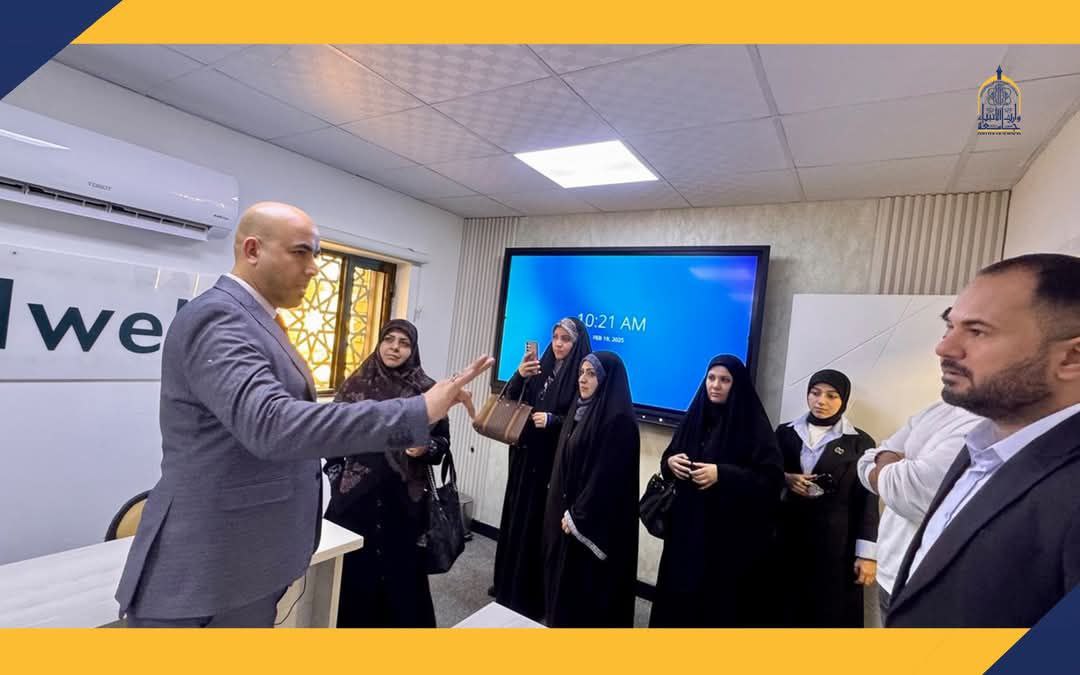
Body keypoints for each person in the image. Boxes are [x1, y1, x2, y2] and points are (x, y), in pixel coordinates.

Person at [115, 201, 492, 628]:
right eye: (301, 252)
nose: (314, 268)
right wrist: (418, 410)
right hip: (210, 563)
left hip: (245, 558)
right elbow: (273, 424)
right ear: (253, 250)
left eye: (315, 254)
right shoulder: (220, 317)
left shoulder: (260, 321)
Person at [887, 253, 1080, 628]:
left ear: (1072, 358)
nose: (945, 348)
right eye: (950, 326)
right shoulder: (981, 445)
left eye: (977, 331)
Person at [323, 319, 448, 627]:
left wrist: (426, 448)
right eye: (389, 340)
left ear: (413, 349)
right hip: (355, 502)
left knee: (401, 578)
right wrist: (339, 480)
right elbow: (331, 439)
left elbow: (442, 445)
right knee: (354, 575)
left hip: (403, 502)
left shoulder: (427, 391)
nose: (394, 348)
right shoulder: (356, 385)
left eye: (404, 343)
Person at [649, 355, 783, 627]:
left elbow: (771, 478)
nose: (715, 385)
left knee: (714, 607)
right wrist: (670, 463)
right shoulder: (695, 416)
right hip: (685, 531)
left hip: (726, 538)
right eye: (711, 378)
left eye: (724, 380)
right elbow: (669, 457)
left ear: (736, 384)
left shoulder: (752, 425)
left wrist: (722, 474)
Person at [493, 317, 591, 620]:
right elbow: (511, 399)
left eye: (566, 339)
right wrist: (520, 375)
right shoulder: (541, 366)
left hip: (552, 465)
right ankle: (508, 585)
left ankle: (530, 596)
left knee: (538, 525)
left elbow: (581, 420)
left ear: (576, 344)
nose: (559, 344)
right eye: (556, 337)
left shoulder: (582, 375)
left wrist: (553, 420)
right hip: (525, 457)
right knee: (516, 518)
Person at [856, 401, 981, 624]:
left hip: (929, 584)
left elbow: (908, 493)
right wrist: (895, 467)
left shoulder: (984, 426)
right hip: (889, 571)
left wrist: (889, 461)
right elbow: (865, 463)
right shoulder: (938, 410)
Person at [543, 352, 639, 627]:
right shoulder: (580, 410)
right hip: (567, 516)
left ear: (607, 379)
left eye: (591, 373)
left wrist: (577, 516)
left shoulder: (619, 420)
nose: (583, 379)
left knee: (588, 601)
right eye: (581, 372)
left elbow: (608, 479)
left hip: (590, 523)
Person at [776, 369, 879, 627]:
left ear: (843, 399)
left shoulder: (860, 442)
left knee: (827, 614)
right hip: (787, 538)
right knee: (783, 610)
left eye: (831, 396)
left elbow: (867, 500)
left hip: (836, 544)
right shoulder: (785, 433)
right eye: (815, 393)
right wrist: (786, 478)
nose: (821, 401)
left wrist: (867, 554)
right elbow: (764, 474)